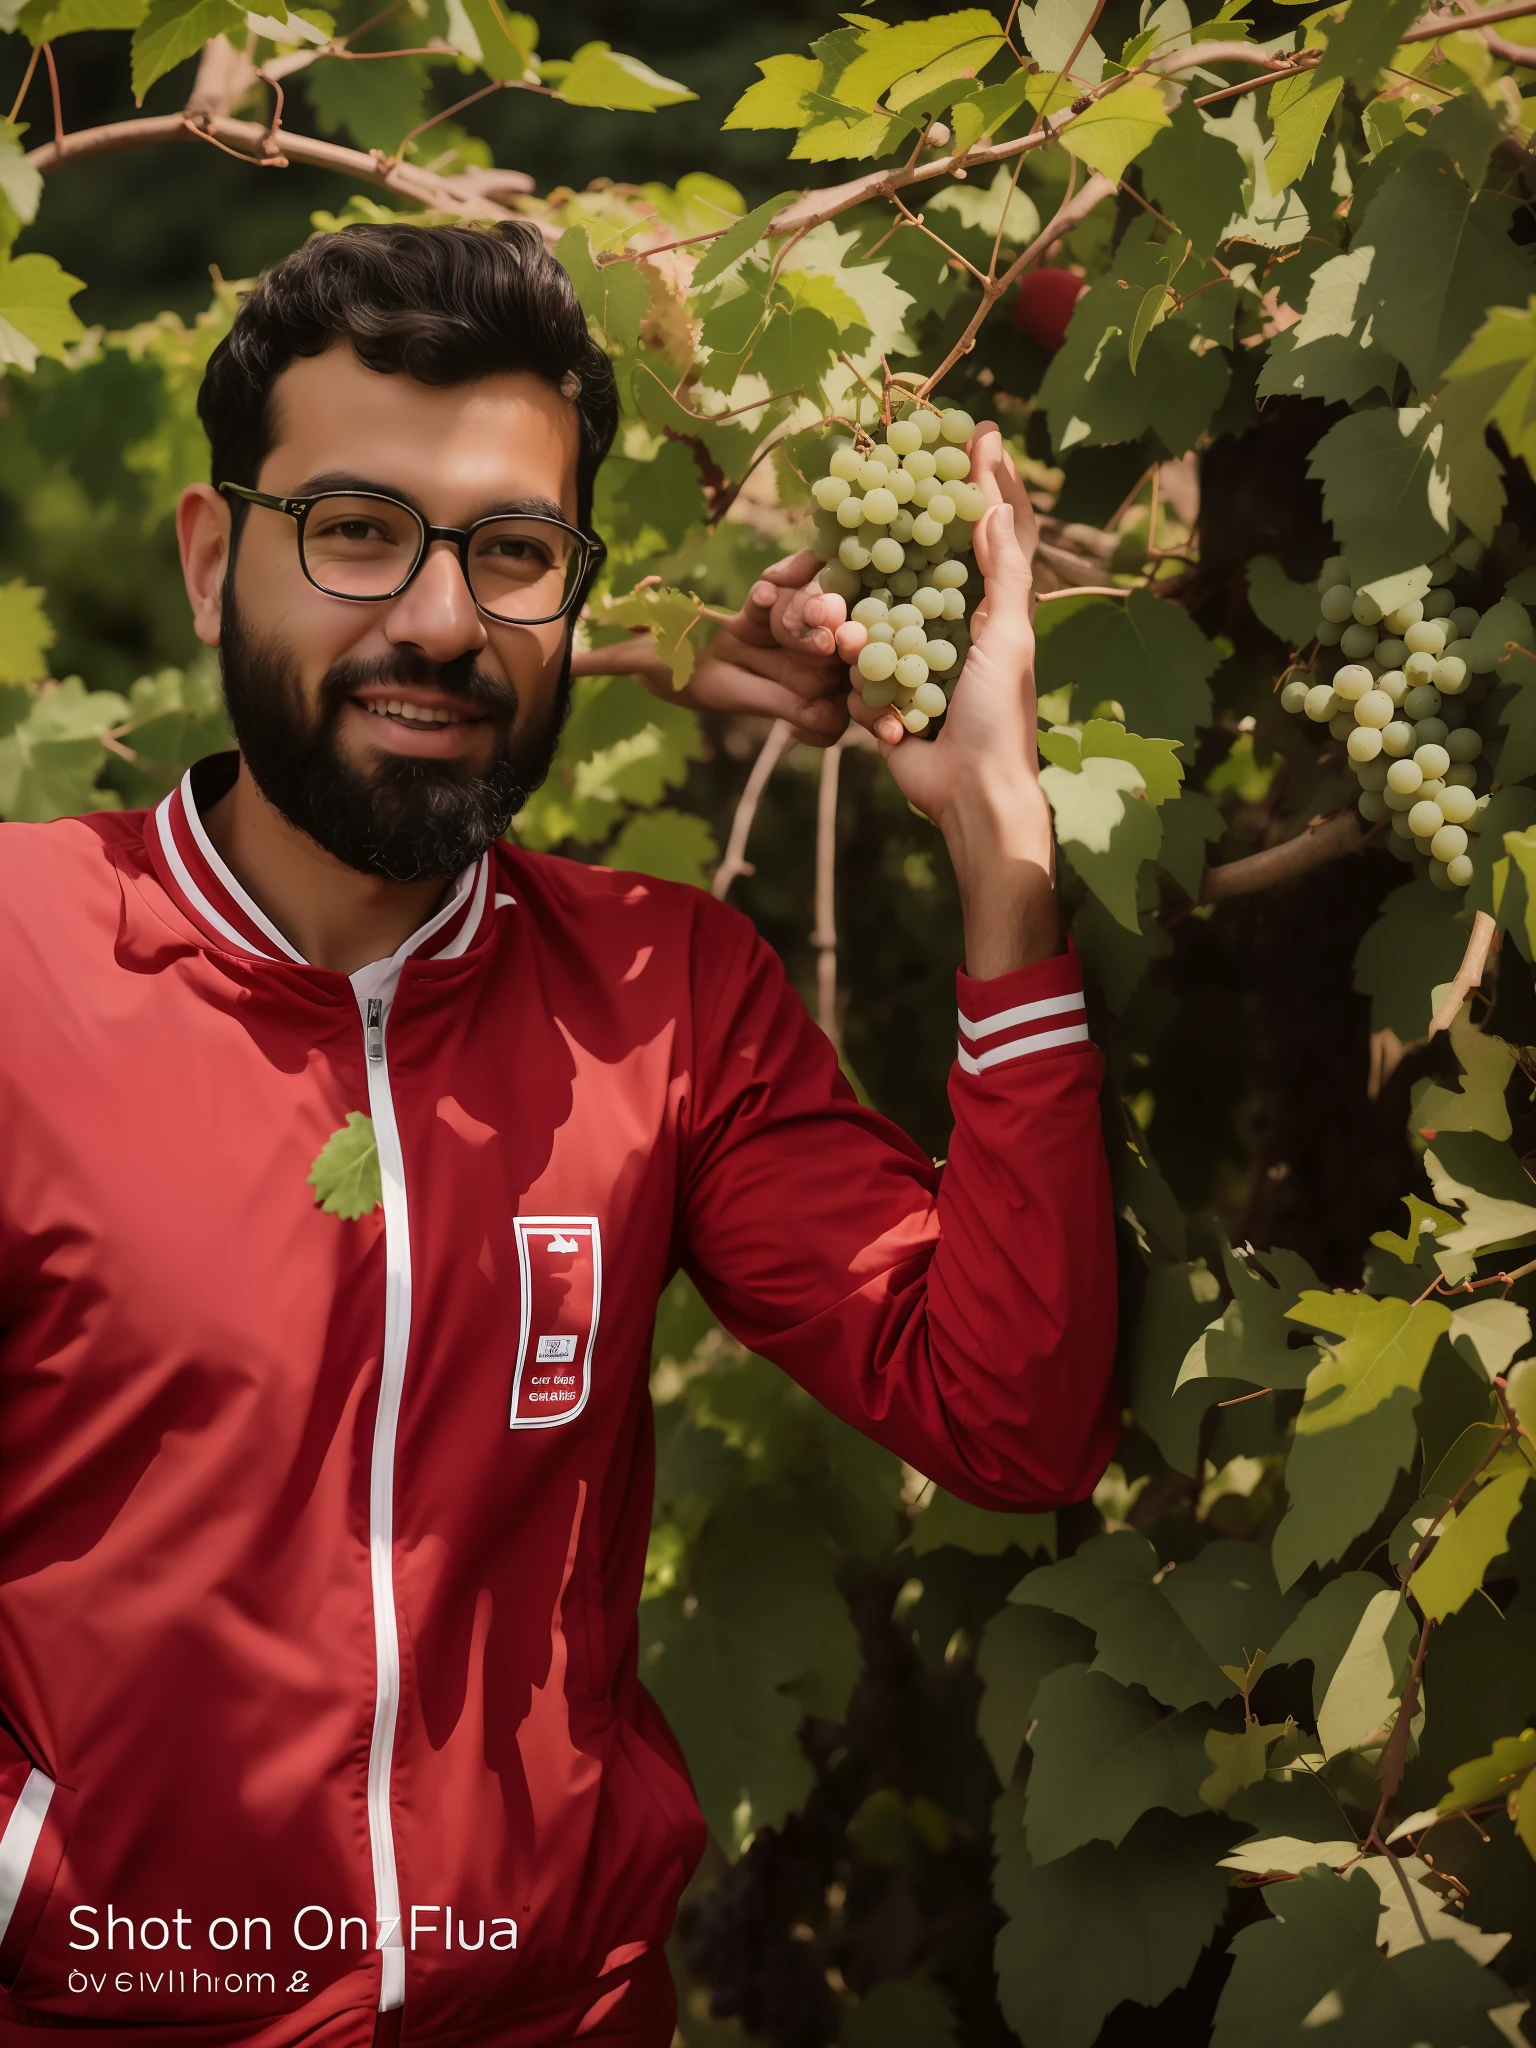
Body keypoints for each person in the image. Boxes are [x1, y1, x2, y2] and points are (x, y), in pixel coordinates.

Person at [0, 221, 1116, 2048]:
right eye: (356, 533)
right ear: (214, 562)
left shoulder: (666, 996)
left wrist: (1003, 856)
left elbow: (1009, 1412)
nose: (439, 620)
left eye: (510, 554)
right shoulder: (18, 963)